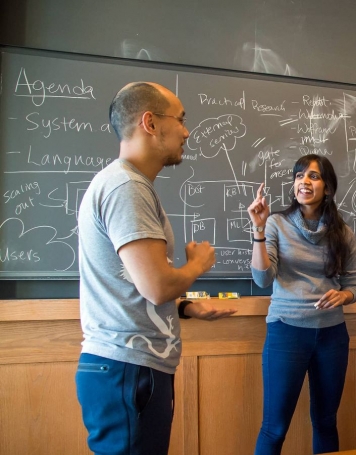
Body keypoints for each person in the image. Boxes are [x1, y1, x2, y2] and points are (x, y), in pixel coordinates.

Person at [76, 82, 237, 455]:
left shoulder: (129, 185)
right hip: (126, 369)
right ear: (150, 122)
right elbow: (156, 286)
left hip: (128, 368)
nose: (187, 131)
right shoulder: (126, 188)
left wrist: (186, 307)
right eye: (180, 119)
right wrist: (197, 264)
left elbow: (137, 282)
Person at [248, 154, 356, 455]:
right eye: (299, 176)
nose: (304, 182)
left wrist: (343, 296)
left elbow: (353, 285)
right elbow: (262, 278)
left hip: (331, 335)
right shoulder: (276, 224)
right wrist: (258, 230)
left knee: (325, 422)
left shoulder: (342, 233)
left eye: (313, 176)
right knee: (275, 427)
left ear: (327, 187)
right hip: (286, 332)